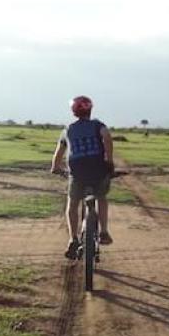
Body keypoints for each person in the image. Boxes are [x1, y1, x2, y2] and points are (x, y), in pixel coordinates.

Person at [51, 95, 115, 259]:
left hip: (77, 171)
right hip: (98, 168)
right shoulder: (98, 125)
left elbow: (59, 153)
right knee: (101, 198)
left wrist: (55, 168)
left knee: (72, 204)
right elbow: (107, 137)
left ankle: (73, 239)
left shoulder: (68, 129)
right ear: (90, 109)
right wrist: (109, 160)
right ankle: (103, 231)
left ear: (73, 112)